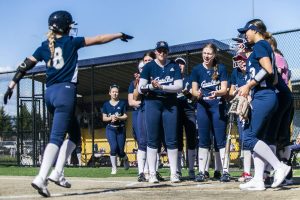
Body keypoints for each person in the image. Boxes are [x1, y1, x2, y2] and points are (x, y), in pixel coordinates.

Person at [3, 10, 133, 197]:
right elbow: (99, 38)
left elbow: (25, 64)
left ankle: (57, 173)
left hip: (51, 94)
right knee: (56, 137)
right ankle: (41, 177)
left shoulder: (43, 46)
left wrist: (11, 84)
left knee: (74, 135)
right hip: (65, 92)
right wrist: (119, 34)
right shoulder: (71, 42)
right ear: (65, 26)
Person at [236, 19, 290, 191]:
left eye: (246, 32)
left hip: (264, 97)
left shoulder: (260, 45)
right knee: (260, 137)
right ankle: (258, 179)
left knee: (249, 138)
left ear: (254, 30)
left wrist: (248, 86)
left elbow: (268, 69)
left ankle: (278, 166)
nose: (245, 35)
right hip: (264, 96)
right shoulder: (262, 47)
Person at [138, 41, 183, 183]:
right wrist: (152, 86)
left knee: (171, 138)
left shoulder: (173, 66)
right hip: (153, 103)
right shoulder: (149, 66)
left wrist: (162, 87)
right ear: (155, 52)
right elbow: (141, 88)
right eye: (159, 50)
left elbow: (179, 86)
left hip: (170, 104)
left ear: (168, 52)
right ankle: (152, 173)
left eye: (164, 50)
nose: (162, 53)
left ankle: (174, 173)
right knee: (152, 139)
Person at [191, 43, 230, 182]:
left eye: (209, 53)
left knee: (220, 140)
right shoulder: (196, 69)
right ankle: (202, 171)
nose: (206, 56)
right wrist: (198, 94)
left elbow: (225, 89)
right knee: (203, 140)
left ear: (214, 55)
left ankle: (225, 171)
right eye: (204, 53)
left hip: (217, 105)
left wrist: (217, 92)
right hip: (202, 106)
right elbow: (194, 90)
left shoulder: (221, 68)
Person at [263, 35, 294, 185]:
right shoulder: (275, 56)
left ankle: (282, 170)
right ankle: (277, 171)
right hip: (280, 97)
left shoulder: (276, 57)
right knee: (278, 137)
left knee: (278, 137)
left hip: (281, 97)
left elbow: (273, 77)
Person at [230, 51, 253, 182]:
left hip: (252, 107)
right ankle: (246, 171)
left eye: (243, 60)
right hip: (241, 108)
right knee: (244, 138)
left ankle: (262, 171)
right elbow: (231, 91)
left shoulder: (251, 71)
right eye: (238, 60)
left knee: (253, 137)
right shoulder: (235, 73)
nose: (241, 62)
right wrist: (238, 91)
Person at [175, 57, 197, 180]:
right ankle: (177, 170)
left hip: (189, 111)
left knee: (191, 139)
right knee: (177, 140)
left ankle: (191, 169)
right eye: (177, 64)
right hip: (176, 112)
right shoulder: (171, 79)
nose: (179, 66)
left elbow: (195, 98)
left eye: (182, 64)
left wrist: (188, 93)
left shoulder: (190, 79)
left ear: (185, 66)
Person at [102, 84, 129, 175]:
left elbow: (125, 116)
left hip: (121, 129)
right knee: (113, 148)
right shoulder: (106, 104)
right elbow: (104, 118)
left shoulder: (122, 103)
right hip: (110, 129)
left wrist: (119, 118)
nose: (115, 93)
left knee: (120, 151)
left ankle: (125, 158)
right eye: (113, 92)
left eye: (116, 92)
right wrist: (111, 118)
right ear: (109, 93)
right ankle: (114, 168)